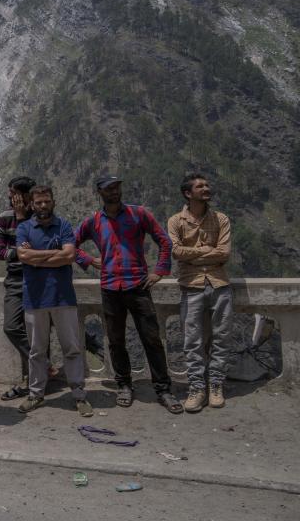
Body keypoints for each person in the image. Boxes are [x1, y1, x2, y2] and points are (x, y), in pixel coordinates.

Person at [74, 175, 181, 414]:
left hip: (138, 285)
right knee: (115, 340)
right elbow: (71, 244)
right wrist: (89, 260)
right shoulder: (94, 221)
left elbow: (164, 241)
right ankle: (124, 385)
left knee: (151, 339)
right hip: (110, 287)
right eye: (109, 189)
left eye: (117, 187)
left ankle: (163, 389)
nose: (114, 191)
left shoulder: (139, 214)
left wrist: (160, 271)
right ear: (100, 192)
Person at [16, 186, 92, 417]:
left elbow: (69, 255)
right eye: (38, 202)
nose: (42, 206)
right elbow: (22, 256)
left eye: (46, 201)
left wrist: (36, 258)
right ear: (31, 205)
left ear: (53, 202)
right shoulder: (24, 228)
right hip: (35, 298)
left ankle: (79, 395)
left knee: (72, 348)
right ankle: (36, 394)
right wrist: (54, 256)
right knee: (37, 350)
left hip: (62, 296)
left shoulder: (64, 226)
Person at [167, 173, 233, 412]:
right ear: (188, 193)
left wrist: (193, 253)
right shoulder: (176, 221)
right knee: (192, 340)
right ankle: (197, 387)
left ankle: (216, 384)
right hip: (191, 286)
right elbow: (175, 252)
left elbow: (224, 253)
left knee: (221, 337)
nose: (206, 188)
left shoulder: (221, 219)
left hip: (219, 284)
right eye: (200, 186)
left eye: (207, 185)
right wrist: (208, 250)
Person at [0, 175, 36, 401]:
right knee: (11, 326)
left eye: (14, 193)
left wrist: (22, 220)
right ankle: (42, 365)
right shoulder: (4, 218)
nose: (10, 197)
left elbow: (40, 248)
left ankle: (33, 382)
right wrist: (22, 253)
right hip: (16, 279)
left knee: (37, 330)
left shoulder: (40, 214)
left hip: (38, 278)